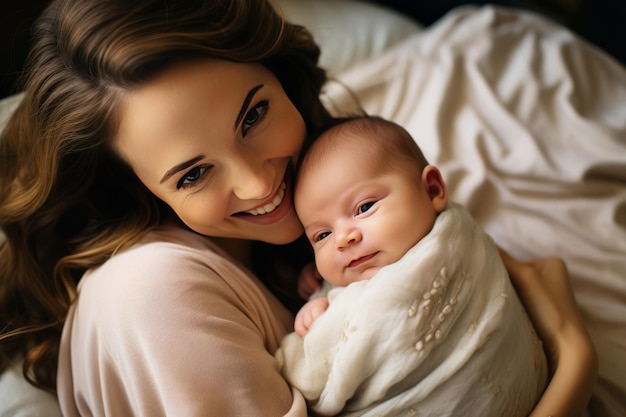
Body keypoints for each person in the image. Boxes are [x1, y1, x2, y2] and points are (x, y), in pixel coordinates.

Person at [0, 0, 596, 416]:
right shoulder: (152, 295)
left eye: (254, 116)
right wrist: (573, 358)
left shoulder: (321, 183)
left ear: (276, 73)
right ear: (135, 187)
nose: (260, 184)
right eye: (194, 174)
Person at [276, 116, 547, 416]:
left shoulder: (455, 243)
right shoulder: (379, 257)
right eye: (322, 235)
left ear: (432, 190)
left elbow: (307, 374)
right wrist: (323, 298)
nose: (343, 239)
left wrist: (310, 336)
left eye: (364, 207)